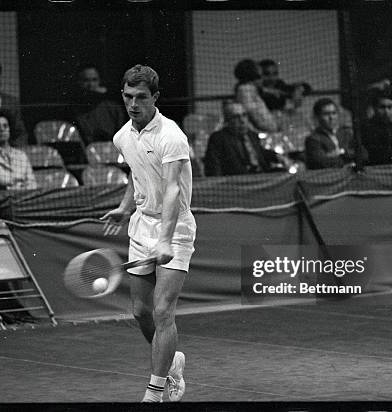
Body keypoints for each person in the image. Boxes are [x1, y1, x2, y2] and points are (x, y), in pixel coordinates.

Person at [100, 64, 195, 403]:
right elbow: (136, 176)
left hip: (176, 227)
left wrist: (167, 239)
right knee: (141, 312)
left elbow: (171, 190)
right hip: (141, 226)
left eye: (141, 97)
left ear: (155, 97)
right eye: (128, 97)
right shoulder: (121, 136)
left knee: (162, 310)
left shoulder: (171, 136)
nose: (133, 104)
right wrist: (126, 207)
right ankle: (172, 364)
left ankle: (155, 392)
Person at [204, 100, 275, 176]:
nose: (242, 120)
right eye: (236, 117)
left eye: (244, 115)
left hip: (262, 178)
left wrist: (278, 156)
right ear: (227, 121)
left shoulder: (252, 135)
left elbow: (261, 153)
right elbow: (213, 169)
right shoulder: (218, 139)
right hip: (237, 183)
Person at [69, 64, 127, 144]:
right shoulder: (74, 110)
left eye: (94, 80)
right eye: (86, 80)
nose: (91, 85)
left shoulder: (113, 109)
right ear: (79, 83)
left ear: (99, 81)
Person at [305, 98, 364, 170]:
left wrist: (341, 153)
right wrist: (349, 157)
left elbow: (363, 154)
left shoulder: (347, 134)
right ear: (318, 117)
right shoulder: (313, 139)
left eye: (334, 113)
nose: (331, 117)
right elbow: (322, 162)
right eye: (326, 114)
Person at [233, 59, 280, 133]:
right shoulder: (246, 91)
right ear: (252, 77)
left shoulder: (251, 90)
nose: (263, 79)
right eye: (259, 76)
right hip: (261, 134)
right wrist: (273, 128)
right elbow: (255, 116)